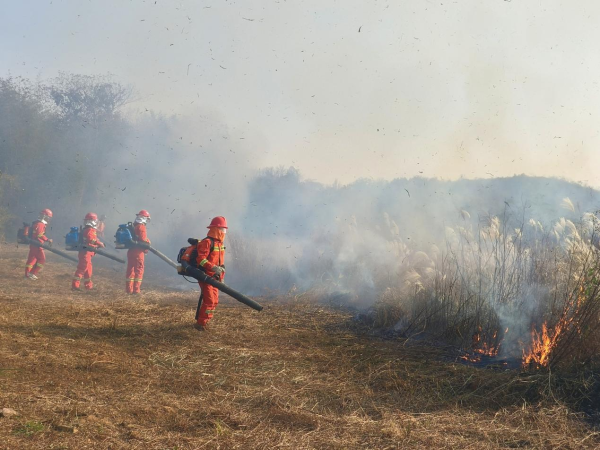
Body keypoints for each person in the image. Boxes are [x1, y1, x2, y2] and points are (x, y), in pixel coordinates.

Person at [194, 216, 227, 331]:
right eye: (222, 229)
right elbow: (201, 260)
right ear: (216, 229)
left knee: (215, 301)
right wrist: (212, 267)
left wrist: (221, 277)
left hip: (215, 277)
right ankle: (200, 324)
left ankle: (205, 321)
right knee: (209, 301)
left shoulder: (220, 244)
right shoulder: (207, 242)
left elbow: (221, 265)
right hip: (205, 276)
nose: (224, 232)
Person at [72, 212, 105, 291]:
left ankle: (88, 286)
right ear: (92, 221)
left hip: (87, 253)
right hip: (86, 253)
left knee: (88, 270)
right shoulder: (90, 229)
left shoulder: (87, 229)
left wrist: (98, 243)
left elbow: (92, 239)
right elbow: (91, 239)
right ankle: (75, 285)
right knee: (82, 268)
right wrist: (99, 243)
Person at [126, 210, 151, 294]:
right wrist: (148, 242)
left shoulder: (134, 226)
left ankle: (129, 289)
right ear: (144, 218)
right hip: (138, 252)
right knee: (139, 270)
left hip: (131, 251)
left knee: (130, 270)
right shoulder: (141, 227)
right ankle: (136, 290)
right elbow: (143, 239)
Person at [24, 209, 53, 280]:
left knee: (31, 260)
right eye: (48, 217)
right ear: (45, 216)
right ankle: (32, 273)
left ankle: (27, 275)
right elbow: (39, 234)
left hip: (33, 244)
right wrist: (48, 239)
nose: (48, 219)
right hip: (37, 245)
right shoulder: (41, 224)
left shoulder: (36, 223)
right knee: (42, 260)